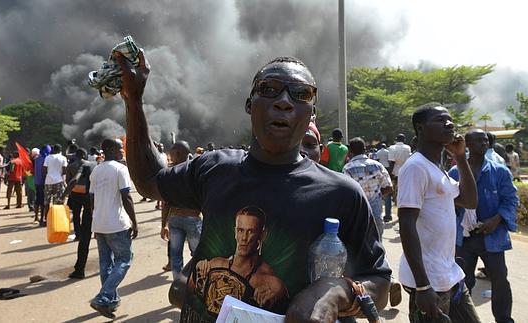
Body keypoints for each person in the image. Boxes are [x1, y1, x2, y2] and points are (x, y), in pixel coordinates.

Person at [116, 50, 390, 322]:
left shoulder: (342, 193)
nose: (284, 101)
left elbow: (379, 283)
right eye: (269, 89)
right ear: (250, 104)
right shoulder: (214, 168)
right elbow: (149, 181)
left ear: (312, 114)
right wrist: (134, 100)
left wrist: (332, 292)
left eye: (301, 94)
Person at [397, 103, 480, 322]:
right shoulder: (416, 167)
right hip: (429, 281)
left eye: (450, 119)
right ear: (421, 129)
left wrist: (461, 158)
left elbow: (470, 201)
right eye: (440, 120)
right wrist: (423, 286)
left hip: (450, 276)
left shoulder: (437, 168)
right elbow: (406, 224)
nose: (449, 123)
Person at [449, 129, 518, 323]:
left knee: (500, 281)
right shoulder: (455, 172)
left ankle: (504, 319)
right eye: (478, 140)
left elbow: (511, 199)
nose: (484, 143)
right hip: (464, 237)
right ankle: (462, 319)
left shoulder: (500, 171)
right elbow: (448, 201)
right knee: (462, 282)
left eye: (486, 140)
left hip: (492, 237)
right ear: (467, 145)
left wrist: (496, 220)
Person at [193, 206, 289, 314]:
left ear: (262, 235)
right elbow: (190, 298)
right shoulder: (215, 265)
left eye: (250, 231)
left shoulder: (272, 284)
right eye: (240, 230)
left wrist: (273, 305)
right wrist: (198, 275)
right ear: (235, 232)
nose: (244, 238)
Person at [89, 139, 138, 319]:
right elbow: (127, 197)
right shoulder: (120, 169)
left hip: (100, 224)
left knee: (106, 263)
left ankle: (111, 300)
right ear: (110, 150)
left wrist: (96, 220)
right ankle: (103, 298)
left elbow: (92, 200)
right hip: (116, 224)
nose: (123, 151)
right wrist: (135, 222)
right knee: (125, 259)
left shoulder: (96, 170)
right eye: (120, 148)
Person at [160, 141, 202, 280]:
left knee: (175, 256)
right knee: (198, 256)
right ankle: (196, 285)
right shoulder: (196, 171)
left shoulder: (168, 173)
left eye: (171, 153)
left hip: (175, 220)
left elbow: (166, 203)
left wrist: (164, 225)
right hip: (192, 219)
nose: (170, 156)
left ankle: (178, 285)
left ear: (177, 153)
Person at [343, 137, 392, 239]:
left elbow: (346, 192)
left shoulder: (348, 168)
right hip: (376, 215)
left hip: (357, 216)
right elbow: (388, 187)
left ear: (350, 151)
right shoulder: (378, 166)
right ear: (365, 149)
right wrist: (377, 196)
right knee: (377, 245)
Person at [64, 148, 97, 279]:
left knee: (78, 219)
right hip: (90, 198)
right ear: (84, 155)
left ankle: (79, 268)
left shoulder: (72, 166)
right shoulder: (94, 165)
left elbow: (70, 181)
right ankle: (110, 264)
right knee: (101, 234)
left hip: (76, 195)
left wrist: (63, 196)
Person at [42, 144, 68, 227]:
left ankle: (46, 219)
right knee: (57, 202)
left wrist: (46, 178)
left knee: (47, 202)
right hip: (58, 181)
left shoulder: (48, 158)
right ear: (60, 150)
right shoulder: (63, 158)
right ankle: (56, 220)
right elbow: (64, 171)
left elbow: (44, 170)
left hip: (48, 181)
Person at [376, 143, 393, 222]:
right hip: (387, 170)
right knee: (387, 193)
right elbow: (390, 161)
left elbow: (377, 160)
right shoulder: (388, 152)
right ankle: (388, 215)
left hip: (379, 170)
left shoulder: (378, 152)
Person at [33, 145, 50, 223]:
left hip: (36, 181)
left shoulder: (36, 159)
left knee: (37, 199)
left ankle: (36, 217)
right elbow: (44, 172)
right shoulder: (46, 159)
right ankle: (42, 218)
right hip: (43, 182)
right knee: (43, 201)